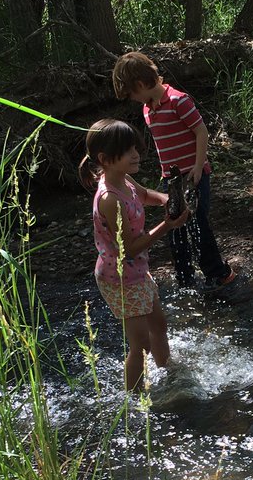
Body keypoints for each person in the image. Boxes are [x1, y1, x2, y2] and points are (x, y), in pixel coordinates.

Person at [112, 51, 236, 292]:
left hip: (194, 174)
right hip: (171, 179)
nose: (134, 100)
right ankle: (185, 278)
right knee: (174, 226)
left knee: (197, 222)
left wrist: (198, 166)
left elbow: (201, 131)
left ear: (140, 85)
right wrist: (165, 176)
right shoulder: (148, 109)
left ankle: (219, 274)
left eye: (132, 94)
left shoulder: (179, 100)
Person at [79, 119, 189, 391]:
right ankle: (134, 398)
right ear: (104, 158)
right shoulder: (110, 199)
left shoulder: (123, 179)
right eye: (127, 150)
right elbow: (129, 249)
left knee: (159, 326)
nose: (136, 154)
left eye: (135, 148)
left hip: (136, 272)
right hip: (119, 278)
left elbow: (145, 195)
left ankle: (169, 373)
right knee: (140, 344)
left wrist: (167, 200)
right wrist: (168, 225)